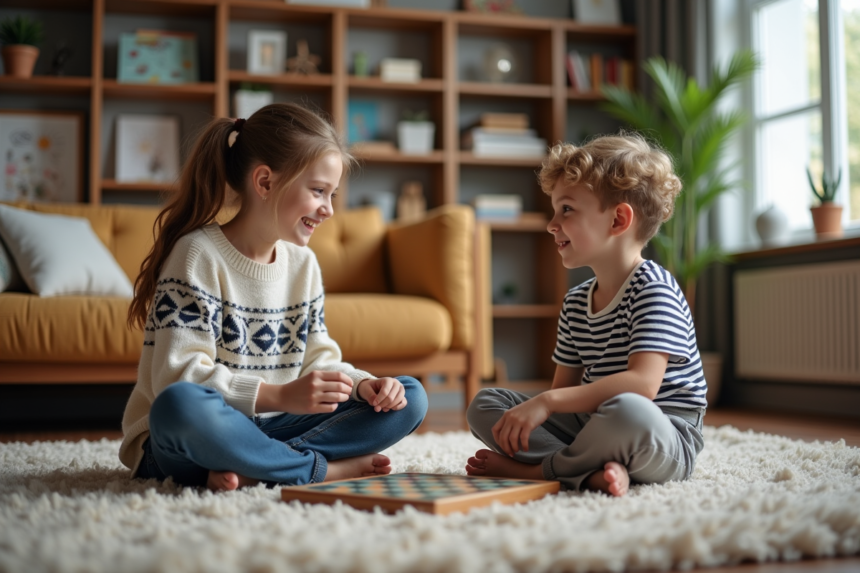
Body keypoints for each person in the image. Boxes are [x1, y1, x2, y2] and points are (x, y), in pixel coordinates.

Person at [120, 103, 428, 492]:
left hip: (270, 429)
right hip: (189, 437)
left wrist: (363, 386)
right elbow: (177, 379)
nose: (329, 209)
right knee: (178, 407)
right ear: (264, 182)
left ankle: (257, 465)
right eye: (318, 191)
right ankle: (318, 469)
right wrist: (278, 395)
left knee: (410, 398)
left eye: (332, 194)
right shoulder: (197, 255)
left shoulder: (304, 264)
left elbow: (320, 360)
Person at [465, 133, 707, 497]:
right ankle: (587, 470)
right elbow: (563, 394)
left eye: (566, 209)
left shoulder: (655, 288)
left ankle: (542, 472)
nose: (551, 224)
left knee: (628, 411)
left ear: (618, 220)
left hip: (660, 434)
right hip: (593, 427)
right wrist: (540, 406)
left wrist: (545, 403)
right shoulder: (577, 301)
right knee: (485, 404)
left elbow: (643, 386)